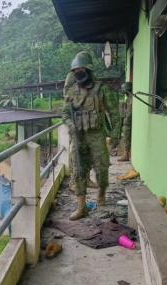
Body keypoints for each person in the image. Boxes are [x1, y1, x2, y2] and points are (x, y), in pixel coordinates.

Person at [63, 51, 114, 220]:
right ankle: (81, 206)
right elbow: (64, 114)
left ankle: (101, 197)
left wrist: (115, 135)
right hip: (79, 136)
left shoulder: (102, 89)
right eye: (75, 71)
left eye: (81, 70)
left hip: (97, 134)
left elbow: (114, 113)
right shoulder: (71, 92)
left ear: (89, 70)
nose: (78, 73)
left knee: (102, 167)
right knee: (78, 170)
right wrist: (71, 126)